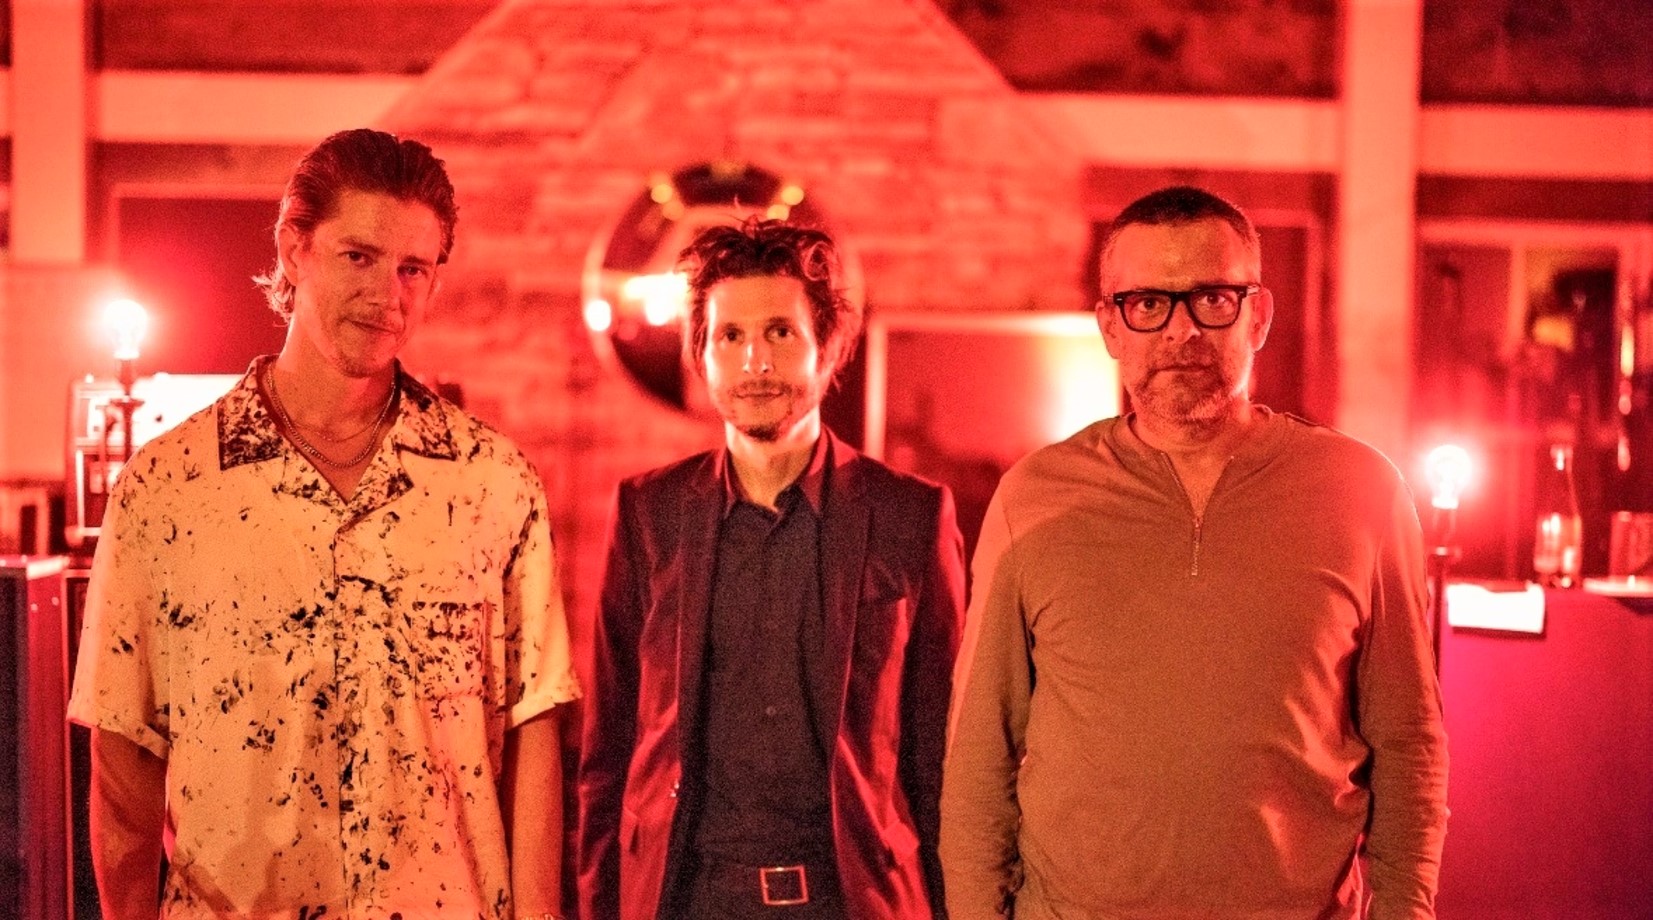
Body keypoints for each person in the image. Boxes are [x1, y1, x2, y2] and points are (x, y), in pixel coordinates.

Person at [68, 128, 581, 919]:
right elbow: (125, 754)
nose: (388, 295)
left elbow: (531, 732)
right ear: (294, 250)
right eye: (359, 257)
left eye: (414, 268)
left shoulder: (494, 483)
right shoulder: (170, 488)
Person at [940, 186, 1449, 920]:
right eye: (1148, 303)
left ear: (1258, 316)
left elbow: (1408, 744)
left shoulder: (1359, 492)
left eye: (1212, 299)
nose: (1181, 332)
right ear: (1109, 327)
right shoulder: (1035, 497)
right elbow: (979, 757)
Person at [578, 218, 966, 920]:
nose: (755, 361)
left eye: (780, 332)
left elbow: (942, 753)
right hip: (687, 900)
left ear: (827, 348)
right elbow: (607, 751)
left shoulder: (910, 517)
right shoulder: (647, 514)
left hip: (856, 900)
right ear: (702, 355)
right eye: (730, 336)